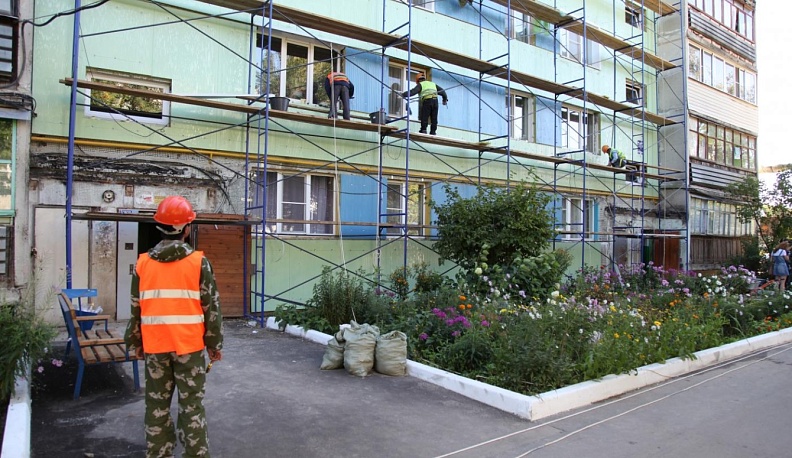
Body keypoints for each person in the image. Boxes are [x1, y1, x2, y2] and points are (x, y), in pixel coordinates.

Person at [125, 195, 223, 458]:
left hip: (156, 348)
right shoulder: (198, 262)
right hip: (189, 348)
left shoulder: (142, 263)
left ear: (160, 227)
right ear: (187, 228)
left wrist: (135, 342)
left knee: (156, 405)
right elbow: (211, 307)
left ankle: (159, 454)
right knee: (192, 406)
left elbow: (136, 307)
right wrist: (214, 345)